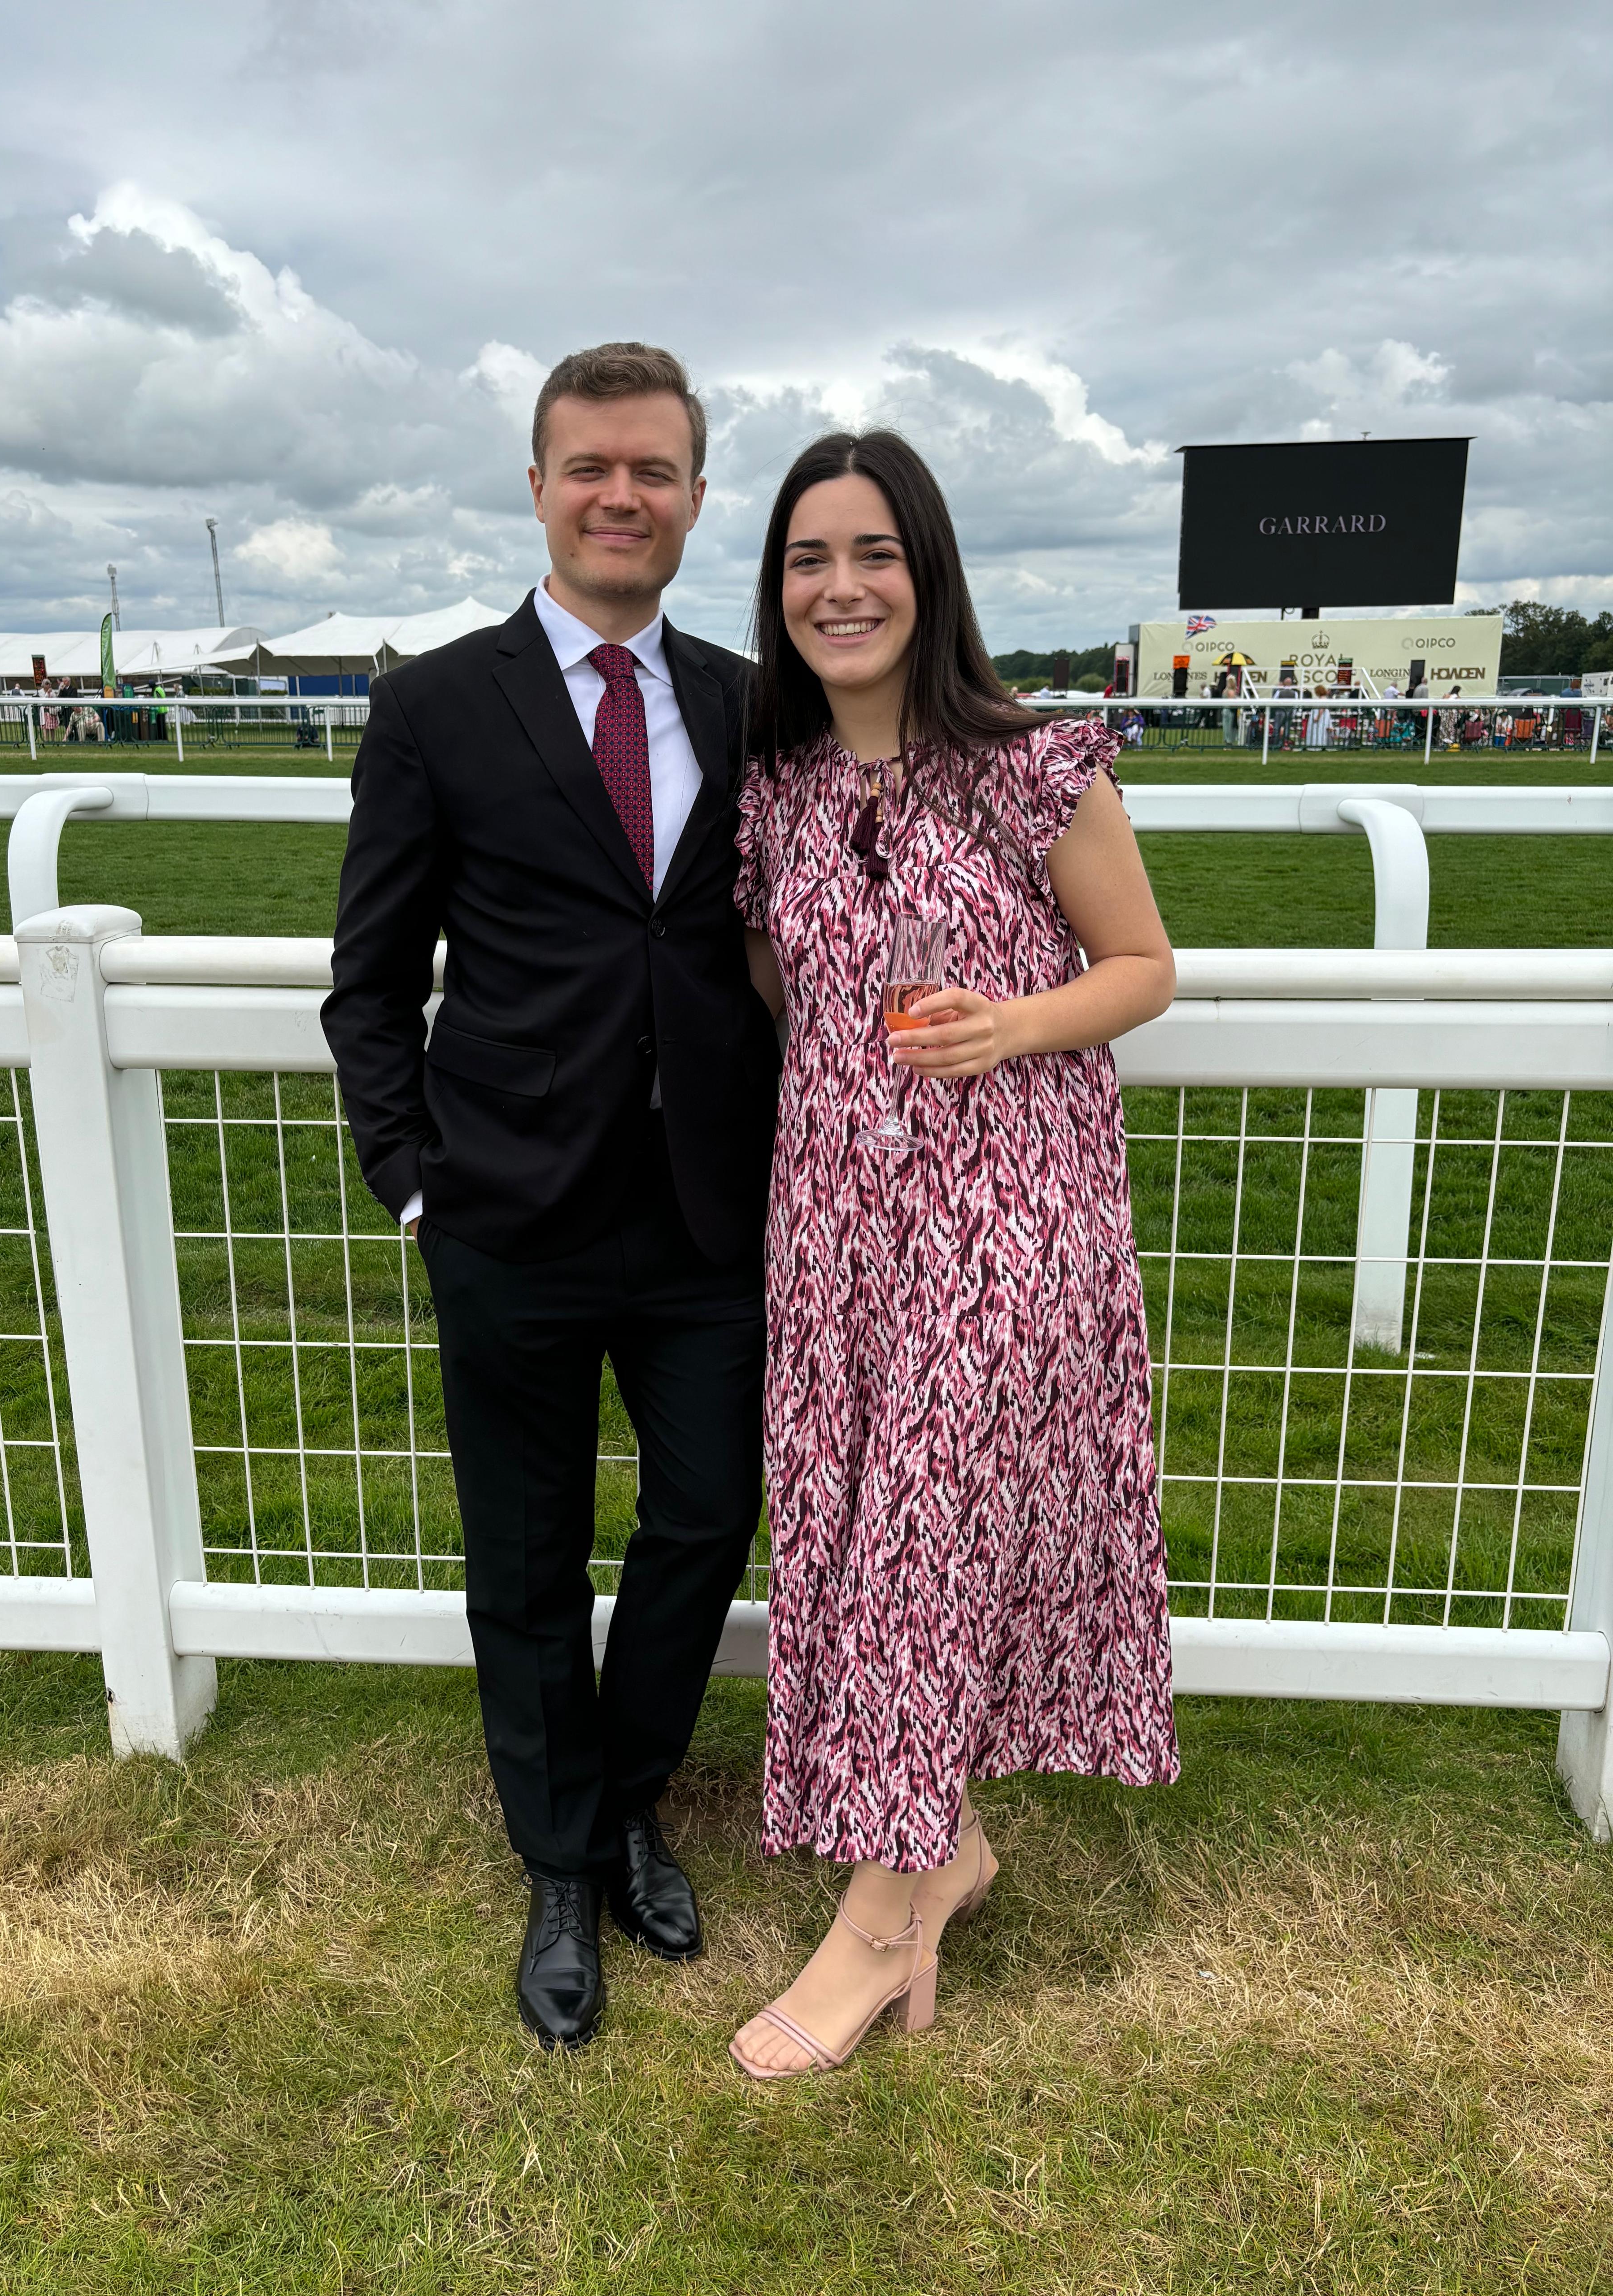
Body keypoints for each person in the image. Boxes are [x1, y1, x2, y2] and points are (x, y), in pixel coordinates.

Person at [323, 343, 779, 2053]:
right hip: (506, 1211)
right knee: (523, 1553)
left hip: (705, 1219)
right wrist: (409, 1184)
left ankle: (635, 1795)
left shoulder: (752, 704)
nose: (620, 497)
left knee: (701, 1516)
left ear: (691, 496)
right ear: (537, 486)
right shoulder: (436, 702)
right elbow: (370, 983)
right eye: (589, 467)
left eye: (652, 470)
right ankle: (561, 1863)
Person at [728, 430, 1178, 2080]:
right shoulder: (772, 797)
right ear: (778, 593)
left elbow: (1142, 966)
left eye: (872, 555)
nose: (839, 589)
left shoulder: (1035, 763)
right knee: (863, 1547)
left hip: (1007, 1218)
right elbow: (793, 1002)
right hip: (839, 1222)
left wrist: (1012, 1025)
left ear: (929, 572)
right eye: (806, 561)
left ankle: (876, 1925)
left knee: (923, 1543)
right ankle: (953, 1843)